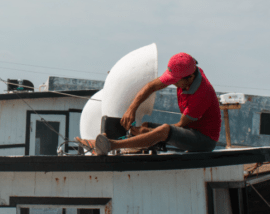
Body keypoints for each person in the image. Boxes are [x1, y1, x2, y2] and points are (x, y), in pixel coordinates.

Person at [77, 52, 221, 155]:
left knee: (163, 130)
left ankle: (111, 145)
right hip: (191, 131)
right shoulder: (188, 72)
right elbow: (151, 86)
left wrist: (152, 134)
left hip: (203, 140)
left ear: (189, 78)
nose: (172, 83)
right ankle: (104, 144)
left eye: (175, 81)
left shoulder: (202, 95)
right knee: (145, 127)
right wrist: (131, 109)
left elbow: (179, 126)